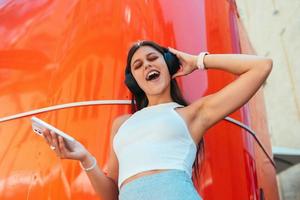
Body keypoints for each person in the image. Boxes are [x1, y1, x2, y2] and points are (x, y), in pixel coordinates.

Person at [42, 40, 273, 200]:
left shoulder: (191, 114)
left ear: (169, 65)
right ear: (135, 82)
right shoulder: (121, 125)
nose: (147, 65)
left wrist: (198, 61)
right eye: (138, 65)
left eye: (153, 58)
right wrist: (84, 157)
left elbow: (260, 67)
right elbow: (112, 195)